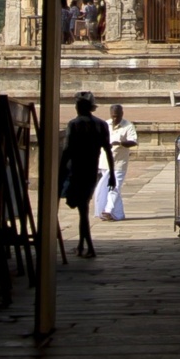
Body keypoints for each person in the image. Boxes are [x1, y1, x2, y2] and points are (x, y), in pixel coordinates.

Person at [59, 89, 114, 260]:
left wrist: (60, 170)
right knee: (83, 207)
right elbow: (108, 150)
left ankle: (89, 246)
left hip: (76, 171)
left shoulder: (74, 124)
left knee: (82, 210)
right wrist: (112, 173)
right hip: (91, 170)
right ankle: (82, 245)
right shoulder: (101, 125)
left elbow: (67, 150)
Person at [98, 100, 136, 221]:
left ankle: (108, 210)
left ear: (122, 114)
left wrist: (120, 143)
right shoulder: (105, 124)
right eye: (113, 116)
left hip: (119, 162)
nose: (115, 119)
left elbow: (133, 141)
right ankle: (119, 214)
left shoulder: (128, 126)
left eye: (118, 116)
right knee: (111, 188)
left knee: (115, 186)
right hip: (105, 161)